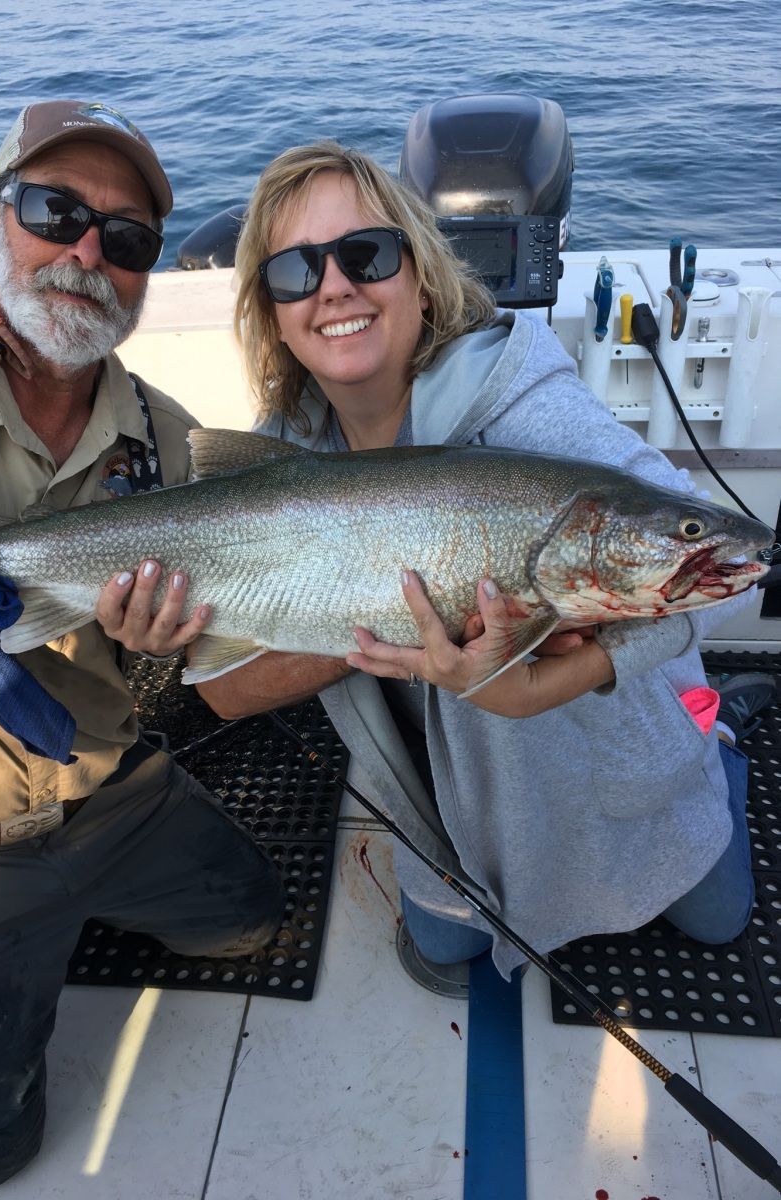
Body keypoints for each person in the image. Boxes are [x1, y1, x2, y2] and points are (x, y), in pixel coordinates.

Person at [187, 140, 774, 988]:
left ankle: (708, 739)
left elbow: (721, 580)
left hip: (610, 768)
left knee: (721, 923)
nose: (336, 286)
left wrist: (555, 681)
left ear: (418, 274)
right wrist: (404, 627)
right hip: (454, 805)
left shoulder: (524, 403)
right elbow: (219, 692)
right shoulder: (273, 465)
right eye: (295, 271)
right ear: (270, 307)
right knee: (445, 954)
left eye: (367, 254)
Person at [0, 100, 283, 1188]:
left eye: (128, 238)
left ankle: (83, 907)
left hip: (111, 790)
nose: (85, 253)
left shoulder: (164, 434)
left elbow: (165, 672)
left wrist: (163, 653)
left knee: (256, 920)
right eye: (55, 211)